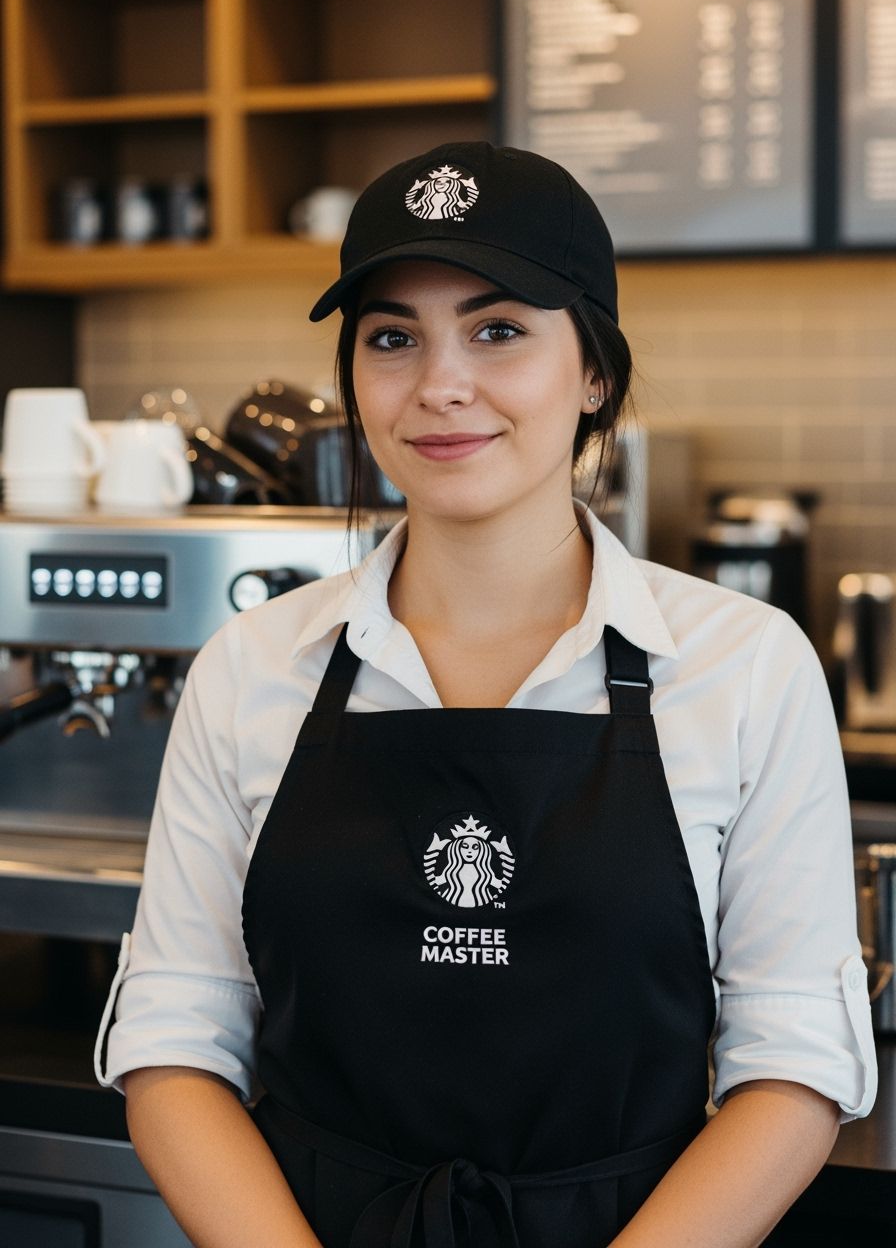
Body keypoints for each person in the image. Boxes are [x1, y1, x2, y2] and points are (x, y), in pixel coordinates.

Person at [95, 141, 876, 1248]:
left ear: (594, 373)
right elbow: (174, 1040)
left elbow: (793, 1059)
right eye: (391, 337)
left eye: (497, 328)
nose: (439, 383)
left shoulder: (743, 662)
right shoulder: (253, 665)